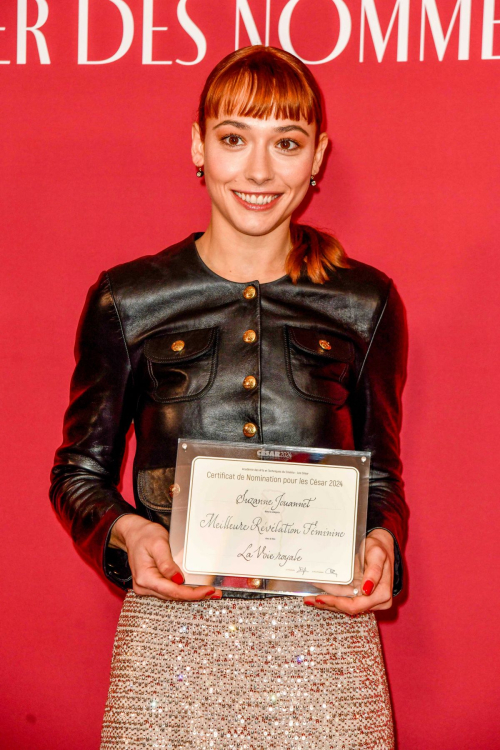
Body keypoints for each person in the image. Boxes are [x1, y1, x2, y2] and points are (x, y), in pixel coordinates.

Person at [50, 45, 408, 749]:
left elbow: (384, 474)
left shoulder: (366, 302)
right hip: (172, 645)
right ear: (199, 146)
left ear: (317, 158)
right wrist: (129, 533)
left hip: (324, 647)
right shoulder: (128, 297)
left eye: (287, 143)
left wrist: (383, 542)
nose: (258, 169)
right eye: (235, 138)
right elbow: (77, 475)